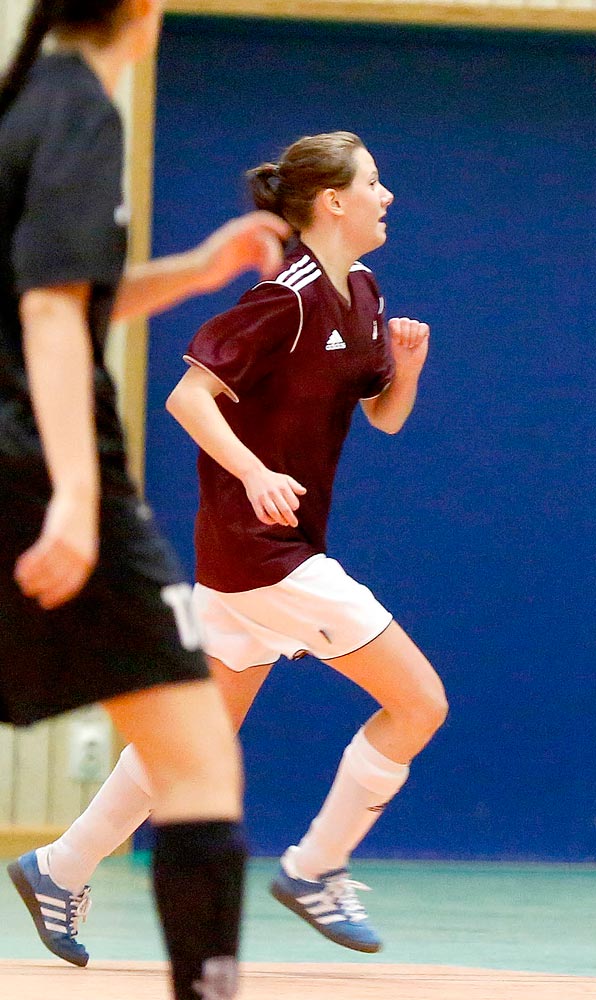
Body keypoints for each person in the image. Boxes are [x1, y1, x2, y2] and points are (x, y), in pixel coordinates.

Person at [21, 130, 448, 960]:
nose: (386, 195)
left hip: (257, 559)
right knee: (420, 701)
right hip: (266, 554)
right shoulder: (282, 297)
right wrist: (253, 473)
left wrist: (408, 367)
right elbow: (189, 397)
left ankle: (58, 866)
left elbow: (383, 417)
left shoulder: (362, 290)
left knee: (195, 741)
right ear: (333, 202)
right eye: (374, 181)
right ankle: (316, 865)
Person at [0, 0, 292, 997]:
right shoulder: (81, 110)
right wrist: (76, 498)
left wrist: (196, 271)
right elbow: (44, 310)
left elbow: (62, 290)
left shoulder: (25, 105)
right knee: (198, 758)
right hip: (37, 469)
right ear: (142, 11)